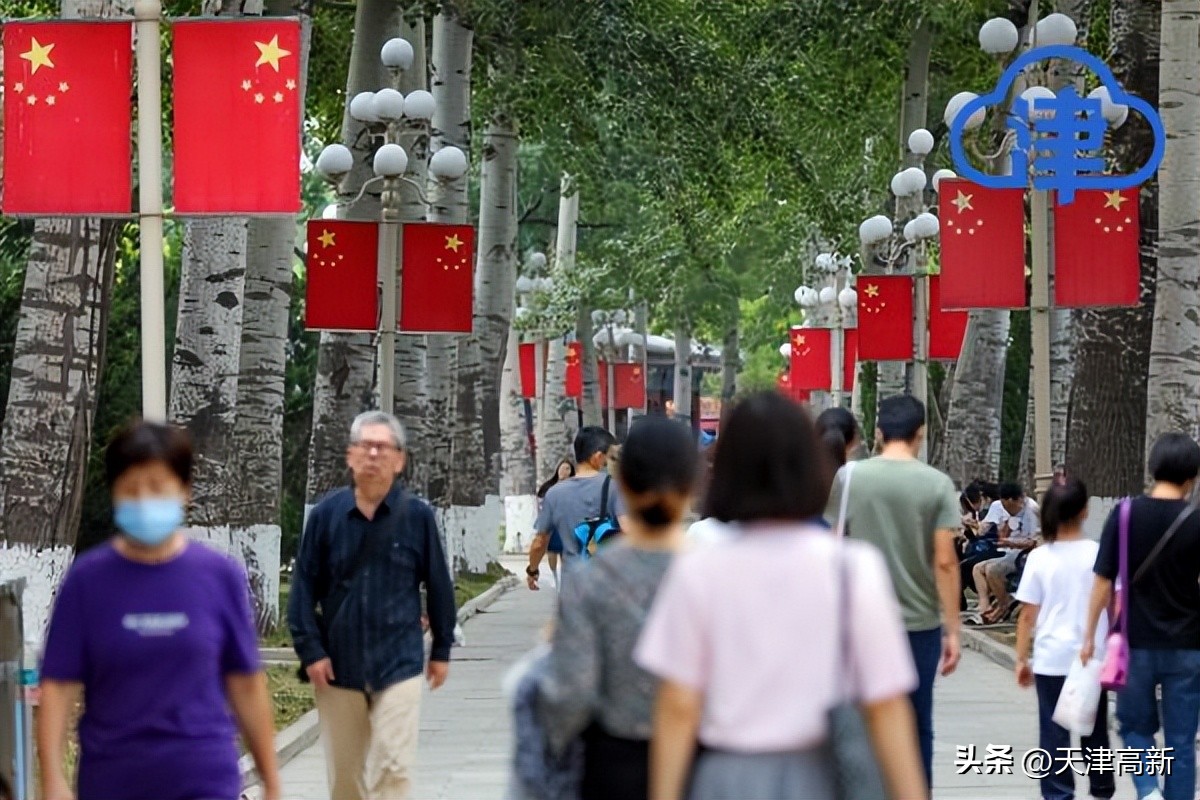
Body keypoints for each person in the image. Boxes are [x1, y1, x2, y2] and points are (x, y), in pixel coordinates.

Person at [637, 392, 926, 800]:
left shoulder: (697, 570)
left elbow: (678, 704)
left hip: (727, 777)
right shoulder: (853, 569)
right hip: (824, 776)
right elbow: (886, 705)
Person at [38, 421, 281, 800]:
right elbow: (58, 685)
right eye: (131, 489)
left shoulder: (219, 577)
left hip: (203, 778)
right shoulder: (87, 582)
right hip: (113, 779)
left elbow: (246, 684)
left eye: (156, 486)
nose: (144, 500)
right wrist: (52, 779)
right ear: (114, 493)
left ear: (184, 490)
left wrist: (271, 781)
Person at [288, 410, 456, 800]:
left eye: (383, 447)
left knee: (393, 767)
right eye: (366, 446)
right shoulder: (326, 516)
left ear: (399, 460)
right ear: (350, 456)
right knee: (345, 779)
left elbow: (438, 584)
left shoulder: (417, 517)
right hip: (338, 666)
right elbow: (302, 589)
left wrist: (441, 649)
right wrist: (311, 650)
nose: (374, 455)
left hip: (399, 661)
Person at [537, 416, 700, 799]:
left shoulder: (591, 581)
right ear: (691, 485)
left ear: (622, 482)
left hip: (613, 766)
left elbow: (570, 695)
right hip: (702, 766)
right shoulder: (714, 575)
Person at [825, 393, 961, 786]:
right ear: (921, 433)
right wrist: (953, 629)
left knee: (861, 720)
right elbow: (945, 561)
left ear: (879, 432)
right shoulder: (937, 484)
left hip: (860, 623)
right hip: (919, 624)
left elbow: (832, 543)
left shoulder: (849, 478)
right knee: (917, 724)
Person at [1082, 433, 1200, 800]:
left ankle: (1148, 790)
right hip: (1188, 646)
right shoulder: (1196, 521)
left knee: (1134, 727)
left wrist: (1088, 636)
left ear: (1152, 468)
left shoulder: (1124, 514)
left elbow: (1103, 581)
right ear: (1192, 475)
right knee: (1181, 739)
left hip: (1133, 644)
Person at [1013, 477, 1113, 800]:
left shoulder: (1040, 558)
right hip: (1091, 656)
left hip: (1051, 658)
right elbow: (1113, 603)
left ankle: (1058, 794)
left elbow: (1027, 615)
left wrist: (1021, 659)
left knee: (1053, 732)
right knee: (1094, 729)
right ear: (1085, 511)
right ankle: (1101, 789)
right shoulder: (1099, 554)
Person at [527, 427, 626, 591]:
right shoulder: (616, 488)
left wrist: (532, 570)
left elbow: (540, 542)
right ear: (598, 457)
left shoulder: (554, 493)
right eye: (610, 457)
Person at [973, 483, 1040, 624]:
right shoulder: (1009, 511)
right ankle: (986, 606)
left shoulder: (1031, 510)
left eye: (1006, 506)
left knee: (992, 570)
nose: (1006, 510)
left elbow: (1034, 541)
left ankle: (1003, 606)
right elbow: (993, 531)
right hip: (1010, 551)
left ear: (1012, 500)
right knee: (977, 568)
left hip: (1025, 554)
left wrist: (1010, 543)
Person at [537, 458, 576, 585]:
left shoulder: (574, 486)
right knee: (551, 552)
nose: (564, 471)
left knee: (565, 552)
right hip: (551, 524)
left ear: (571, 472)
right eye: (562, 468)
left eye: (567, 468)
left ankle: (564, 579)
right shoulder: (548, 486)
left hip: (566, 524)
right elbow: (540, 502)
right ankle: (555, 577)